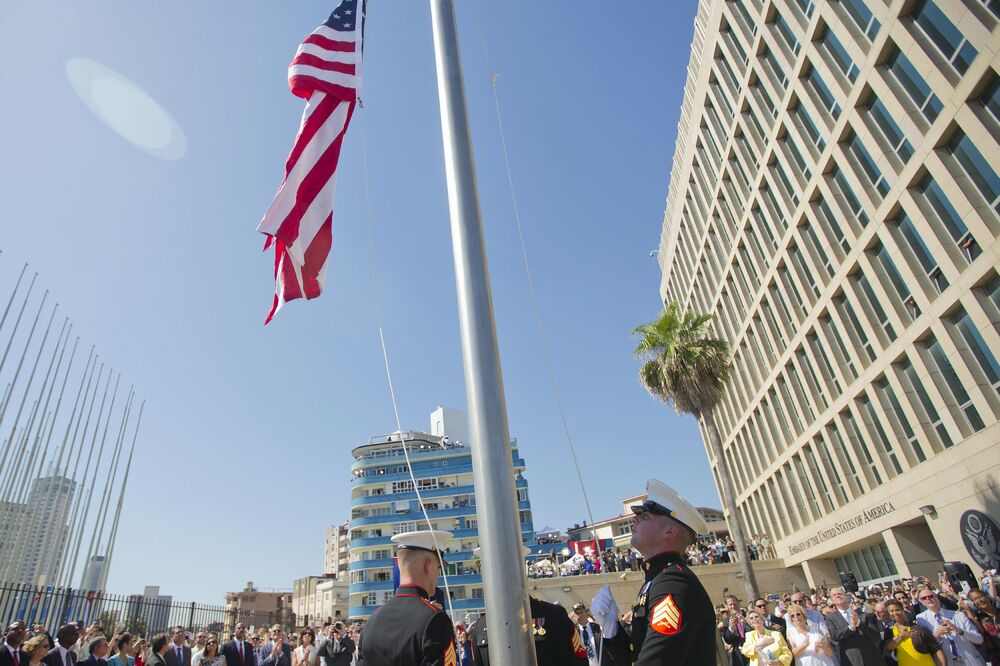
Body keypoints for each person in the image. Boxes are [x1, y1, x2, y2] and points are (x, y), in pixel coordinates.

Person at [591, 479, 717, 664]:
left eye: (645, 517)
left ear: (669, 531)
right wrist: (611, 630)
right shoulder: (659, 578)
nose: (634, 519)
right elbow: (636, 657)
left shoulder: (673, 581)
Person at [360, 530, 457, 665]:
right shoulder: (435, 619)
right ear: (428, 566)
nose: (438, 575)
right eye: (438, 568)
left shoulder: (371, 622)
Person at [914, 585, 985, 666]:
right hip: (947, 662)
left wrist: (958, 630)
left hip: (970, 661)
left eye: (930, 596)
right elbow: (924, 646)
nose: (928, 599)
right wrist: (936, 634)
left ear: (937, 598)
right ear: (922, 602)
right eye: (924, 598)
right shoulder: (921, 619)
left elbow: (979, 639)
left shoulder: (958, 615)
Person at [826, 587, 884, 665]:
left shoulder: (863, 614)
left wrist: (859, 623)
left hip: (871, 657)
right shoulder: (831, 618)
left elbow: (875, 635)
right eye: (834, 595)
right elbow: (834, 636)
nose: (837, 596)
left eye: (840, 594)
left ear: (846, 596)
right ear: (832, 600)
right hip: (851, 660)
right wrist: (851, 628)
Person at [884, 600, 945, 666]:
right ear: (889, 614)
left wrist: (943, 664)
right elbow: (889, 647)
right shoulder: (889, 630)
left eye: (897, 610)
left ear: (903, 610)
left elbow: (936, 648)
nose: (895, 613)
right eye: (891, 611)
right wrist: (902, 636)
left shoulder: (918, 627)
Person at [965, 588, 1000, 664]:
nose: (979, 600)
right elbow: (980, 631)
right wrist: (967, 609)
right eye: (975, 599)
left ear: (986, 596)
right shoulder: (979, 618)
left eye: (980, 596)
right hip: (996, 657)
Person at [722, 596, 751, 666]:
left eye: (734, 604)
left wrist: (746, 622)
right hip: (738, 655)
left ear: (738, 603)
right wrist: (731, 628)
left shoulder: (749, 615)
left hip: (752, 649)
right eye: (730, 605)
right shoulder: (726, 621)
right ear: (727, 606)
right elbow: (728, 640)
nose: (733, 606)